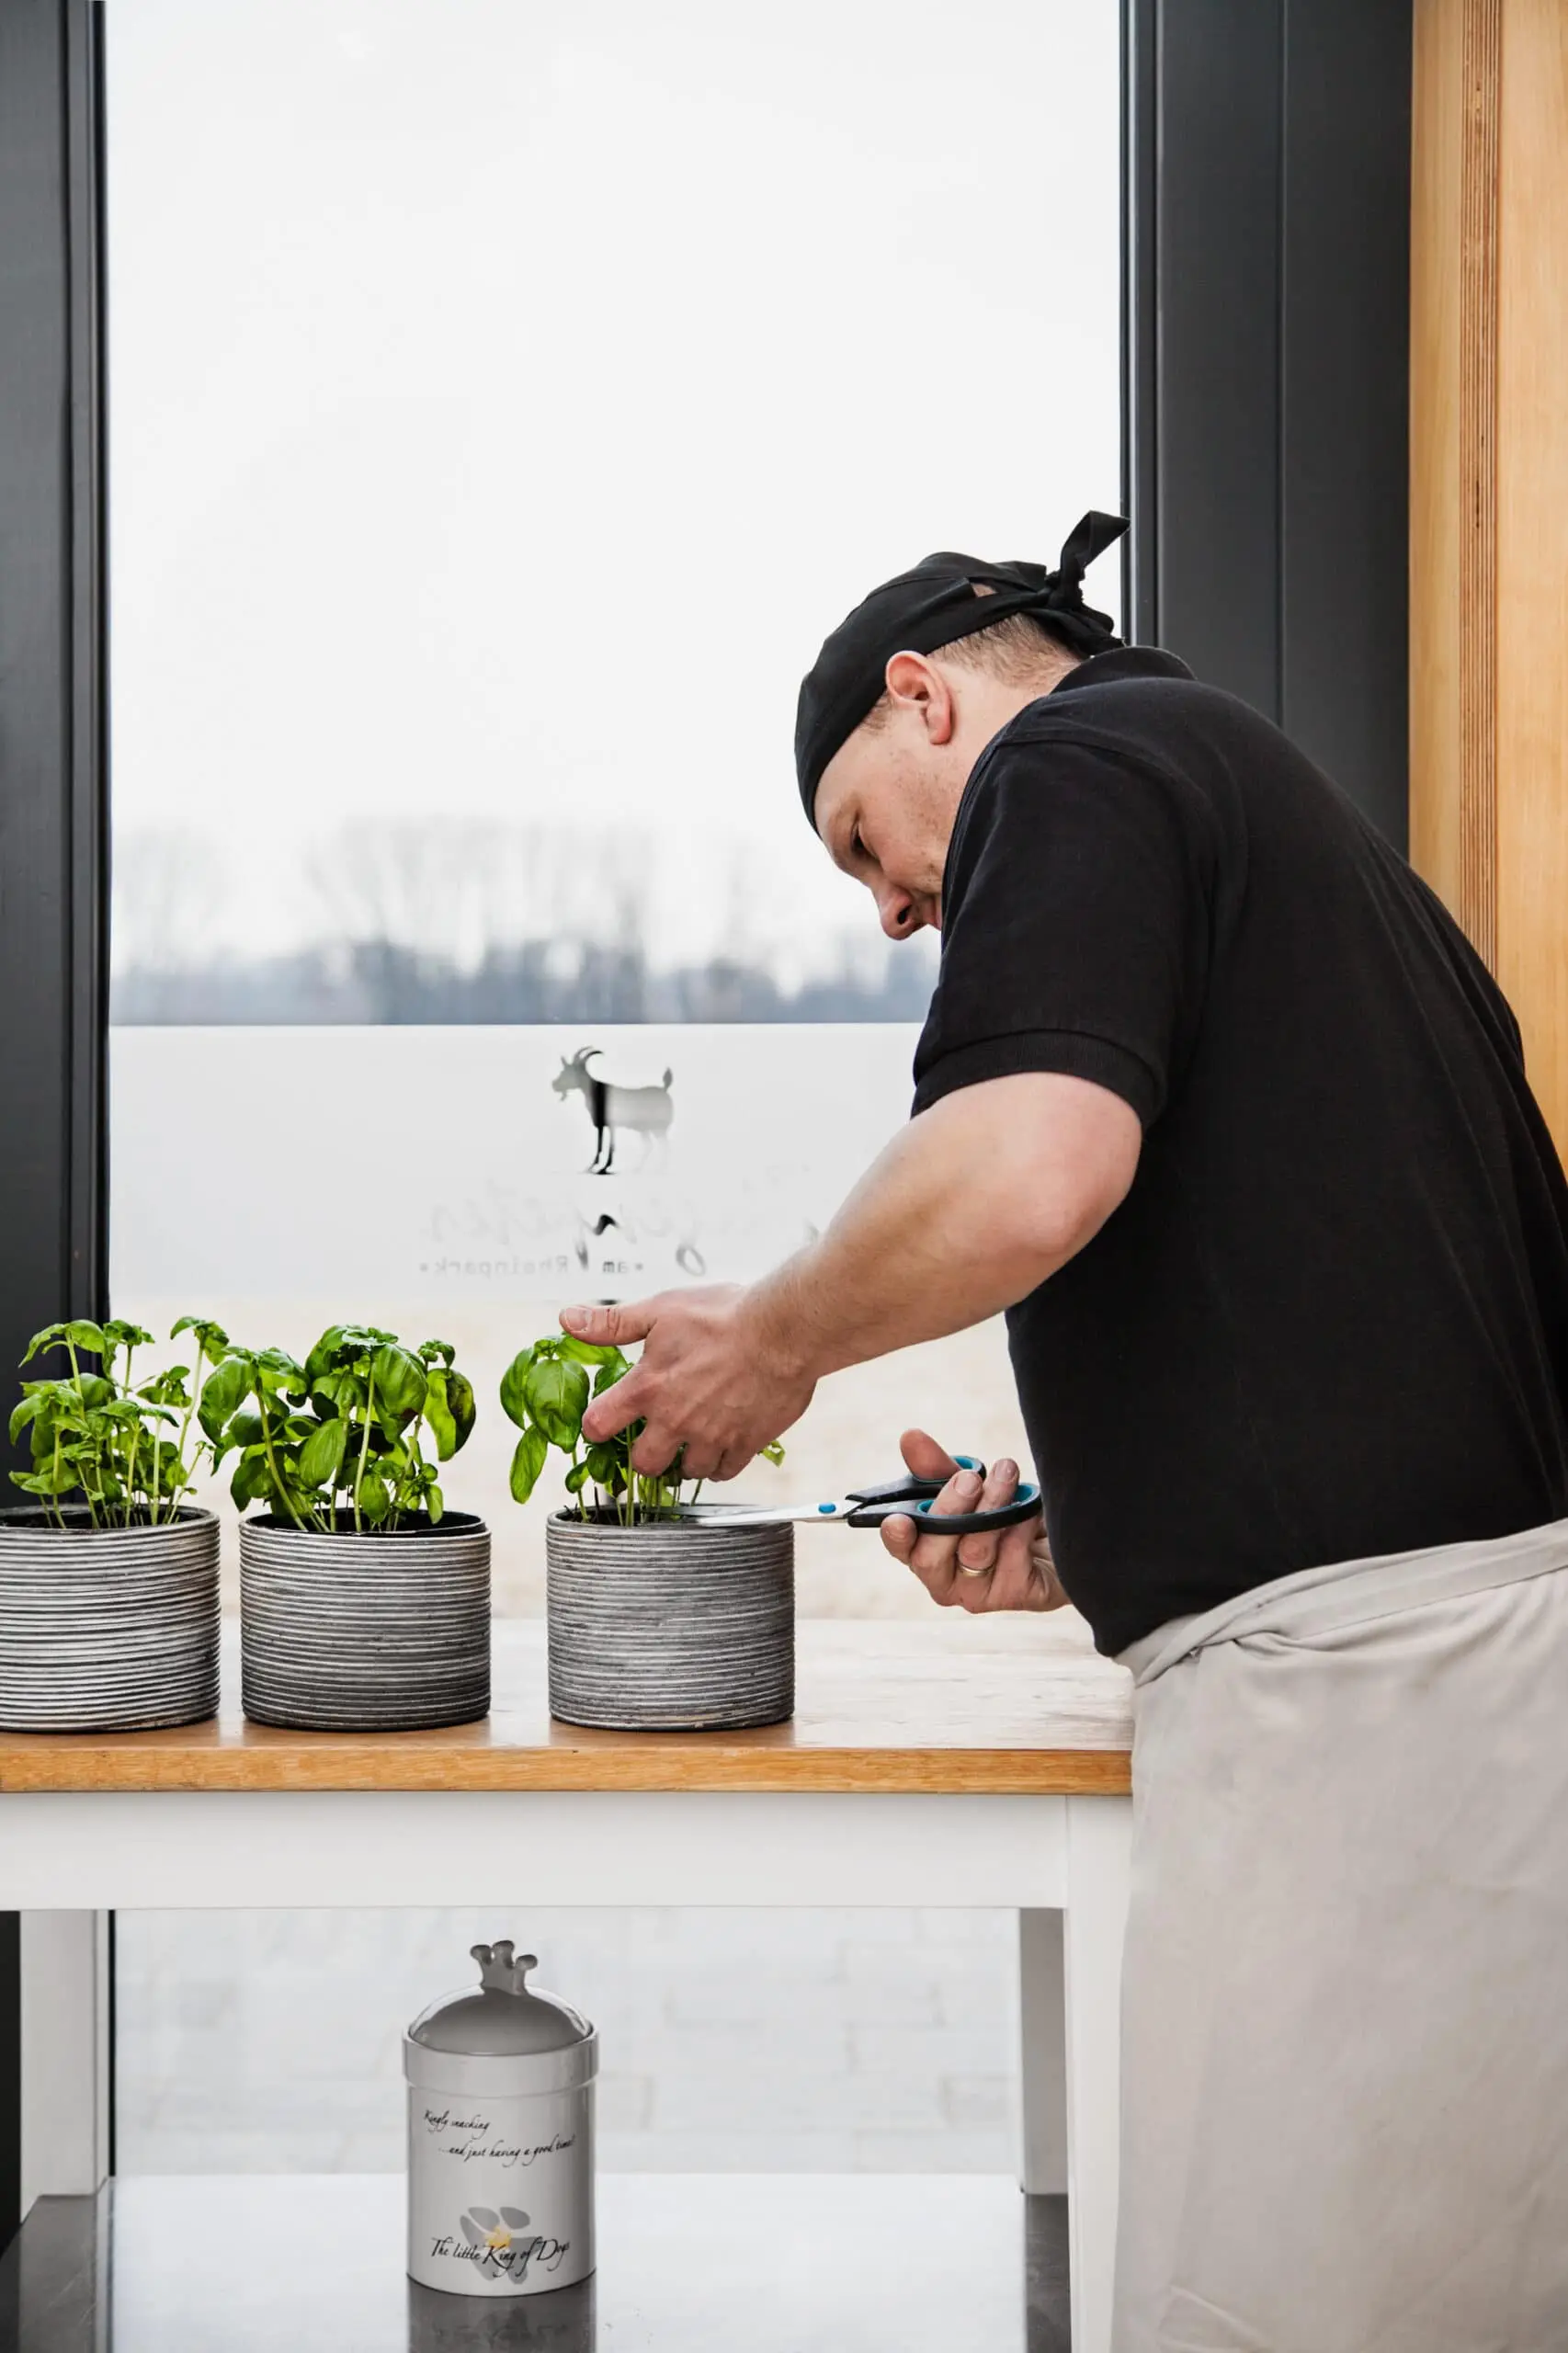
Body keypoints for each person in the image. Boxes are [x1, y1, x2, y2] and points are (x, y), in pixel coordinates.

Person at [561, 514, 1568, 2350]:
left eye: (864, 840)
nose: (881, 909)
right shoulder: (1285, 825)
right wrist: (1086, 1521)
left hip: (1373, 1722)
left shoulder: (1080, 761)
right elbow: (1378, 1312)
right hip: (1477, 1683)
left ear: (927, 697)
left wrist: (769, 1342)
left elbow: (1027, 1166)